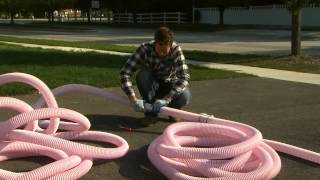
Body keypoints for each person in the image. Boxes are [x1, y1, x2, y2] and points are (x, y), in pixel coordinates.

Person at [119, 26, 191, 121]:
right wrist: (132, 99)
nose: (161, 53)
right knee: (143, 75)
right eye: (159, 48)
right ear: (155, 42)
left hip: (169, 83)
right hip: (152, 84)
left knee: (185, 96)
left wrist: (167, 98)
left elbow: (184, 77)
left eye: (164, 51)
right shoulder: (144, 49)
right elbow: (124, 73)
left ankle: (173, 110)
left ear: (170, 45)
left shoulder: (176, 50)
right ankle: (151, 112)